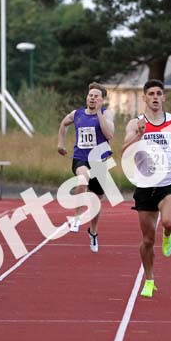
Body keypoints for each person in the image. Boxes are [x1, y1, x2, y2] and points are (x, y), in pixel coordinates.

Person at [122, 79, 171, 297]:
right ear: (143, 98)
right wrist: (139, 135)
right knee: (147, 240)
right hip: (145, 186)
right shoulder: (136, 124)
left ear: (164, 97)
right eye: (150, 93)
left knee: (170, 222)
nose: (155, 97)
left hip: (169, 182)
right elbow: (124, 151)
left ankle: (169, 233)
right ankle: (150, 280)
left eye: (158, 93)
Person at [56, 83, 115, 252]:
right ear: (86, 97)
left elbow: (110, 134)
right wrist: (60, 144)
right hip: (80, 158)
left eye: (96, 96)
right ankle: (76, 217)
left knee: (96, 201)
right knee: (82, 178)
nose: (92, 98)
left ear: (102, 100)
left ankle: (93, 232)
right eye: (90, 95)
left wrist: (98, 112)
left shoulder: (106, 113)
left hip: (99, 162)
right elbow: (63, 124)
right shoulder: (77, 114)